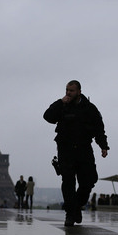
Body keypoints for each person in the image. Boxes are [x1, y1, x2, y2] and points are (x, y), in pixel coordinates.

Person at [44, 80, 109, 227]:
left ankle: (76, 206)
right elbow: (48, 117)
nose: (68, 93)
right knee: (68, 182)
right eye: (66, 90)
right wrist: (60, 102)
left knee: (89, 180)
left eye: (71, 91)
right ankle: (70, 213)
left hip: (83, 149)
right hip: (65, 149)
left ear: (79, 91)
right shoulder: (62, 106)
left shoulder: (90, 108)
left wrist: (103, 146)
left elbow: (99, 128)